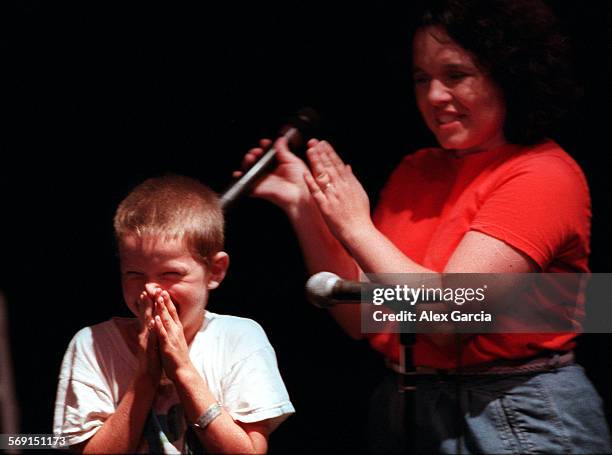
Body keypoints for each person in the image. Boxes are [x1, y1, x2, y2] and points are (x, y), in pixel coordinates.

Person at [234, 0, 611, 453]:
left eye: (455, 75)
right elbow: (363, 318)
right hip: (409, 403)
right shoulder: (417, 170)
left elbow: (449, 318)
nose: (433, 96)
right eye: (421, 79)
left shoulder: (543, 174)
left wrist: (356, 226)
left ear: (509, 75)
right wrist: (304, 206)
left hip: (514, 411)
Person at [53, 175, 295, 454]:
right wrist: (145, 376)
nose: (152, 289)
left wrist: (181, 369)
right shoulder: (93, 344)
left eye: (171, 274)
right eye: (134, 274)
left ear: (215, 271)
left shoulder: (240, 338)